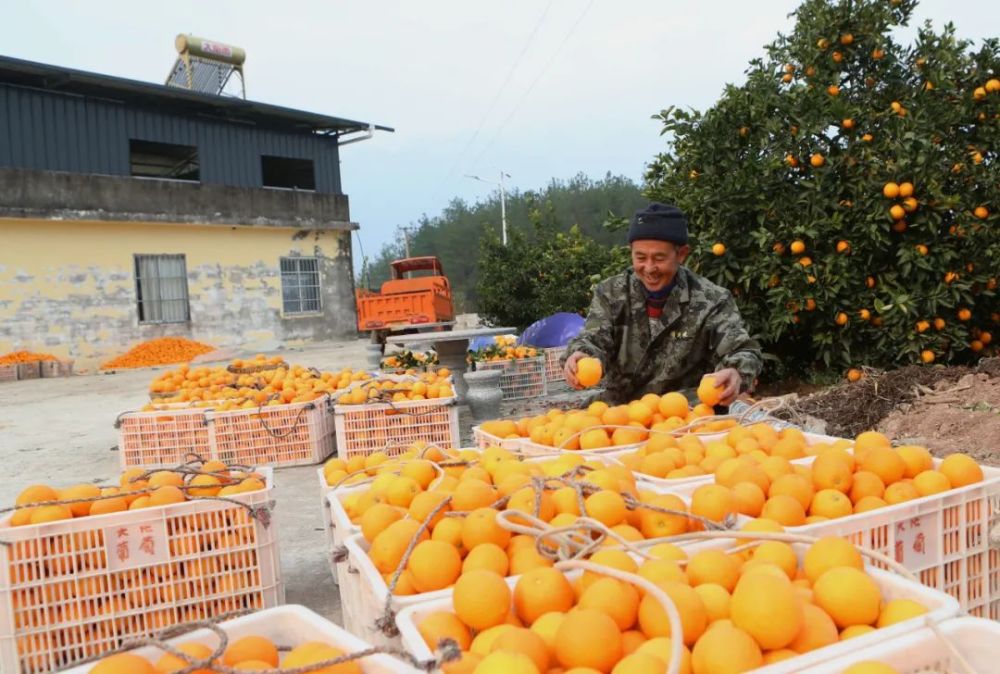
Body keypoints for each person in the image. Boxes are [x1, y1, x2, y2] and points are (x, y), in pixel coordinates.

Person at [563, 202, 763, 406]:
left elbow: (743, 350)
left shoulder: (711, 300)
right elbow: (593, 339)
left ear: (682, 254)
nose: (649, 268)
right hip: (621, 410)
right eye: (640, 257)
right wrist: (581, 355)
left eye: (659, 258)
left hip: (685, 409)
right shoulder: (611, 293)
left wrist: (736, 371)